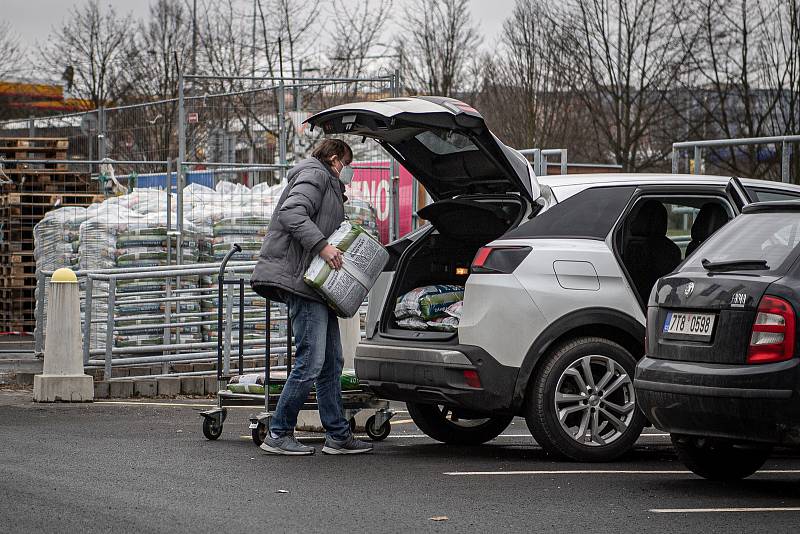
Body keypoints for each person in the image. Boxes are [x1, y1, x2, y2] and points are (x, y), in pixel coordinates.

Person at [251, 138, 373, 455]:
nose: (349, 172)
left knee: (332, 362)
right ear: (333, 159)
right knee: (312, 362)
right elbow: (293, 214)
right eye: (347, 164)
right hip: (302, 284)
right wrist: (323, 246)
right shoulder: (315, 175)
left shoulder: (327, 182)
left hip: (316, 285)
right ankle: (278, 433)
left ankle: (337, 434)